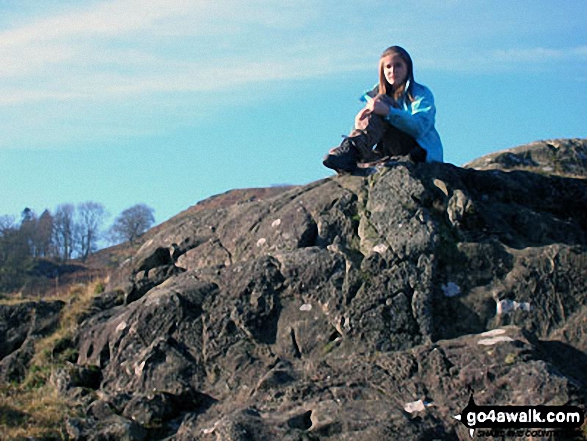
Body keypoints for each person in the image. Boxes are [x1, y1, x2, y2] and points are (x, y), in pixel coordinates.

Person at [323, 46, 443, 173]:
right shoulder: (375, 94)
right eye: (388, 67)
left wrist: (389, 112)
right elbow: (370, 128)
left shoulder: (420, 93)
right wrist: (358, 122)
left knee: (381, 102)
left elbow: (420, 127)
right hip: (388, 150)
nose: (393, 70)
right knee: (377, 102)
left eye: (398, 65)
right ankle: (350, 152)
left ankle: (350, 152)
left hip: (418, 151)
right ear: (382, 70)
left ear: (407, 67)